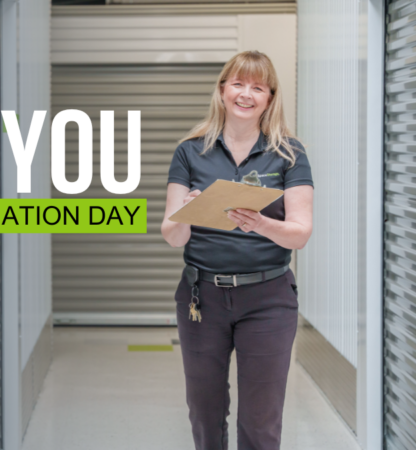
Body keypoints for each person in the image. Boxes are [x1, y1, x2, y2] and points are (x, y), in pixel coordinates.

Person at [160, 50, 314, 450]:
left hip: (268, 299)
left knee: (260, 420)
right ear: (223, 90)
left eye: (258, 87)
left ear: (269, 97)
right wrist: (188, 214)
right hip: (201, 298)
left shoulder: (289, 154)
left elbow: (299, 234)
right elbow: (172, 235)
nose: (246, 94)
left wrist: (260, 222)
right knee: (205, 413)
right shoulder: (190, 151)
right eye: (238, 84)